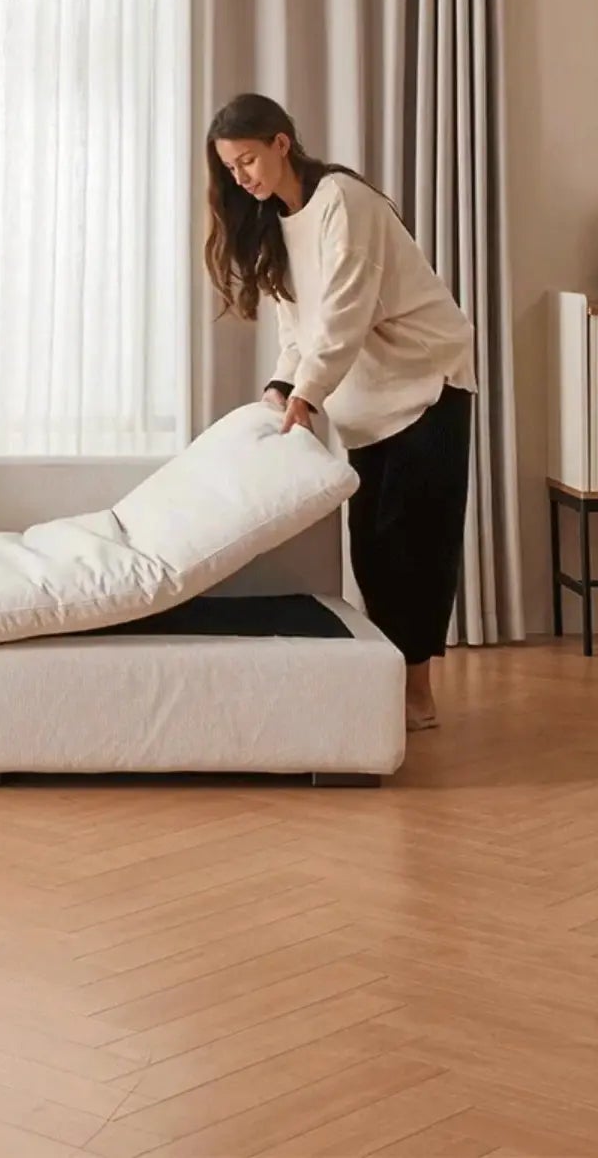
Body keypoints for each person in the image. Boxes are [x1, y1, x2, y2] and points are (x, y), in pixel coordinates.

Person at [203, 92, 476, 732]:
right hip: (365, 403)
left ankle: (417, 695)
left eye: (248, 160)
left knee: (416, 548)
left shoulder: (342, 203)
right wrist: (281, 386)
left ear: (281, 143)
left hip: (425, 386)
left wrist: (308, 395)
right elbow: (298, 327)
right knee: (373, 550)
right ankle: (389, 684)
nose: (241, 177)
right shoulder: (277, 221)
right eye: (231, 168)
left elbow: (344, 315)